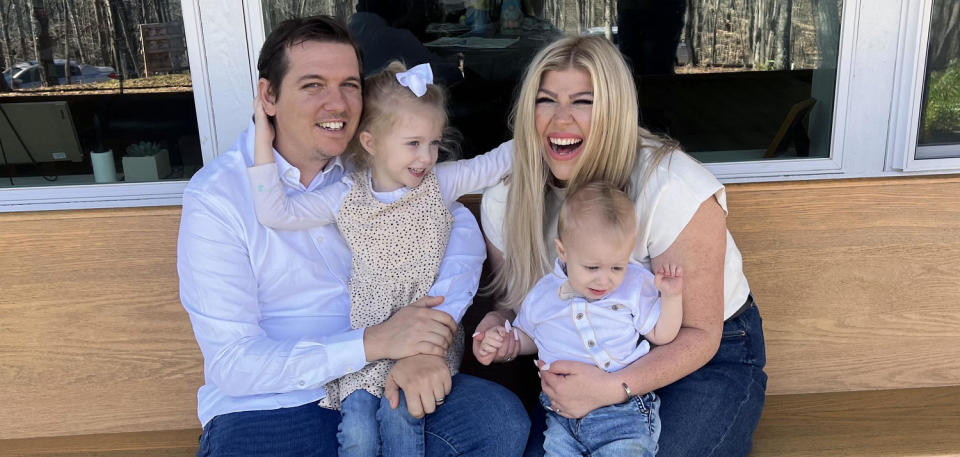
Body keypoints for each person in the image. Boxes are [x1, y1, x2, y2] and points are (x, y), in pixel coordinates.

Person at [177, 16, 528, 457]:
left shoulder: (378, 163)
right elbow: (233, 366)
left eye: (348, 85)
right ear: (269, 96)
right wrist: (374, 342)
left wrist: (425, 343)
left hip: (388, 373)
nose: (337, 104)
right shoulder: (219, 197)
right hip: (270, 403)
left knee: (499, 423)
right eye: (313, 85)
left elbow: (451, 219)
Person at [473, 35, 767, 457]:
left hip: (701, 355)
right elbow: (519, 306)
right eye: (546, 100)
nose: (561, 119)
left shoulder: (669, 186)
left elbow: (701, 335)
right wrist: (499, 328)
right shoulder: (507, 196)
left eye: (583, 101)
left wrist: (613, 388)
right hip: (585, 359)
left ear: (613, 110)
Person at [246, 60, 512, 456]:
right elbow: (276, 213)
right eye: (413, 143)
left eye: (434, 143)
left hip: (426, 338)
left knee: (400, 417)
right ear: (370, 142)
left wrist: (550, 127)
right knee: (358, 432)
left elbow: (497, 162)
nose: (426, 157)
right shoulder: (346, 196)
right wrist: (262, 141)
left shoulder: (442, 183)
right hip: (369, 340)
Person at [475, 181, 684, 456]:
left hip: (622, 413)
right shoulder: (543, 294)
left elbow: (663, 334)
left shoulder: (634, 287)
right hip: (561, 414)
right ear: (563, 252)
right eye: (592, 267)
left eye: (616, 266)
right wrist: (505, 342)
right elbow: (529, 336)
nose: (605, 279)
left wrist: (671, 298)